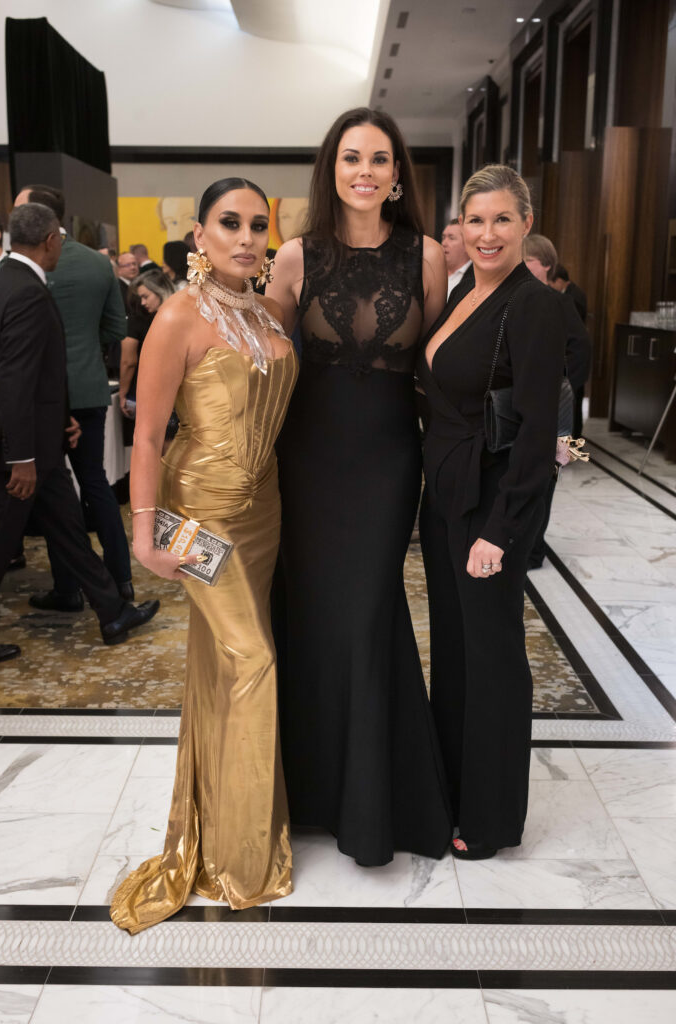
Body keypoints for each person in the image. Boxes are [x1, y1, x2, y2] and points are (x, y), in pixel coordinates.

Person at [110, 177, 297, 934]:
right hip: (198, 513)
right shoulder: (180, 314)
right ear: (200, 235)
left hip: (264, 510)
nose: (246, 238)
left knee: (225, 664)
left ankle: (225, 824)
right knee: (253, 658)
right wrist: (143, 531)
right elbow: (149, 434)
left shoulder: (268, 311)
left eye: (257, 225)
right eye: (229, 223)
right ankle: (241, 859)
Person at [266, 107, 451, 867]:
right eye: (352, 158)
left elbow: (438, 373)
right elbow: (264, 369)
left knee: (369, 614)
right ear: (332, 170)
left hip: (387, 464)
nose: (365, 171)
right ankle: (311, 795)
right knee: (312, 614)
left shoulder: (427, 256)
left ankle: (375, 809)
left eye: (379, 158)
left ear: (397, 174)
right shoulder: (294, 257)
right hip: (307, 462)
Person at [418, 165, 566, 860]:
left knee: (493, 657)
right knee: (455, 651)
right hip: (447, 496)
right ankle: (454, 788)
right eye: (475, 220)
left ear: (526, 224)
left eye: (502, 219)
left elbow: (537, 432)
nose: (487, 233)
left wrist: (502, 531)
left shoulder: (532, 305)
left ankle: (491, 817)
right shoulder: (462, 293)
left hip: (490, 505)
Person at [0, 204, 159, 662]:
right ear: (51, 240)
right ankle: (113, 608)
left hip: (40, 440)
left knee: (69, 530)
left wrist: (60, 418)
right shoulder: (27, 291)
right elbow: (16, 379)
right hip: (23, 452)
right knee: (2, 540)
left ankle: (113, 612)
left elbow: (34, 374)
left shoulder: (5, 280)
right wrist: (20, 456)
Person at [13, 185, 136, 607]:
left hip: (39, 394)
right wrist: (84, 349)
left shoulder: (19, 265)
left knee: (55, 495)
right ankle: (121, 580)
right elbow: (116, 329)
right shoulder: (97, 263)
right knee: (94, 484)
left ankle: (67, 589)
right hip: (87, 386)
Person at [522, 234, 591, 568]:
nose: (522, 267)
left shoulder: (557, 302)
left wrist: (559, 390)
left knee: (547, 479)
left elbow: (581, 350)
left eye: (528, 261)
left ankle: (534, 550)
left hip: (556, 418)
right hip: (539, 414)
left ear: (546, 265)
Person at [119, 271, 176, 432]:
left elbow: (128, 361)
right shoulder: (175, 316)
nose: (143, 302)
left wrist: (123, 393)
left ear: (160, 291)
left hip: (157, 396)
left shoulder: (163, 320)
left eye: (146, 296)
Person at [441, 218, 471, 297]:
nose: (444, 243)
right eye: (443, 238)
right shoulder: (434, 270)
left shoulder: (475, 277)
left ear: (467, 245)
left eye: (451, 238)